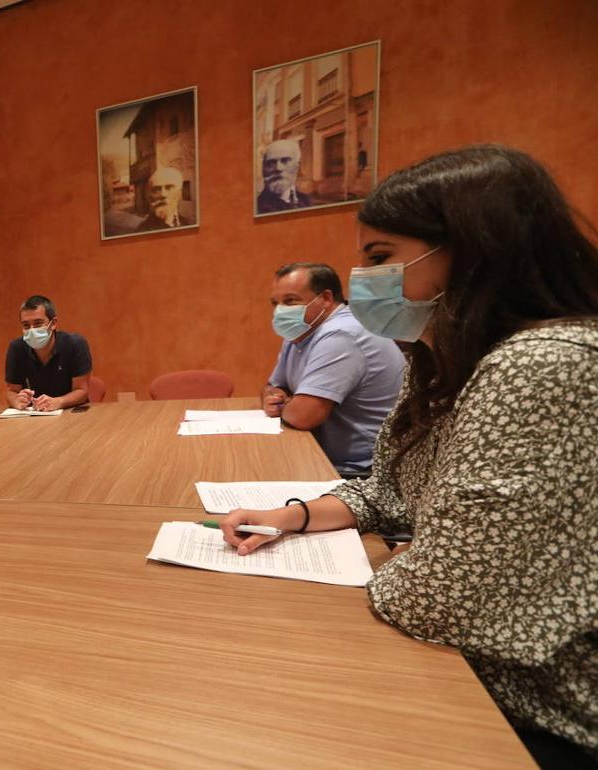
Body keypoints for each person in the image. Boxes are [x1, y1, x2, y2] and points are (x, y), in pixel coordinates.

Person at [223, 146, 598, 767]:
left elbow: (440, 597)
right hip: (464, 663)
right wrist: (293, 515)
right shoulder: (437, 356)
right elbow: (389, 490)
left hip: (537, 709)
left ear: (474, 250)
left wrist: (405, 561)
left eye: (378, 259)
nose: (366, 280)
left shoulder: (541, 364)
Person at [263, 262, 404, 475]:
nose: (280, 311)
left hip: (366, 472)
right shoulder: (299, 331)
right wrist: (274, 396)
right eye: (275, 303)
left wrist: (285, 405)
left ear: (326, 299)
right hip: (321, 455)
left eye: (290, 301)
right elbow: (272, 386)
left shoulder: (342, 334)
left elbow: (304, 416)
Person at [5, 295, 92, 411]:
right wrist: (17, 400)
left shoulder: (75, 344)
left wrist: (59, 402)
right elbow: (11, 391)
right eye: (26, 325)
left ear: (53, 323)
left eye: (38, 323)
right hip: (33, 417)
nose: (32, 330)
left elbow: (82, 392)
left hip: (70, 413)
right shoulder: (16, 348)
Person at [256, 138, 312, 214]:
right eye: (271, 163)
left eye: (285, 160)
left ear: (297, 166)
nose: (278, 168)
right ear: (263, 169)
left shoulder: (307, 200)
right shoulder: (257, 207)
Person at [135, 166, 189, 231]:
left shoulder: (188, 223)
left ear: (179, 193)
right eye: (156, 189)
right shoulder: (142, 230)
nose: (163, 194)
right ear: (150, 197)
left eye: (169, 187)